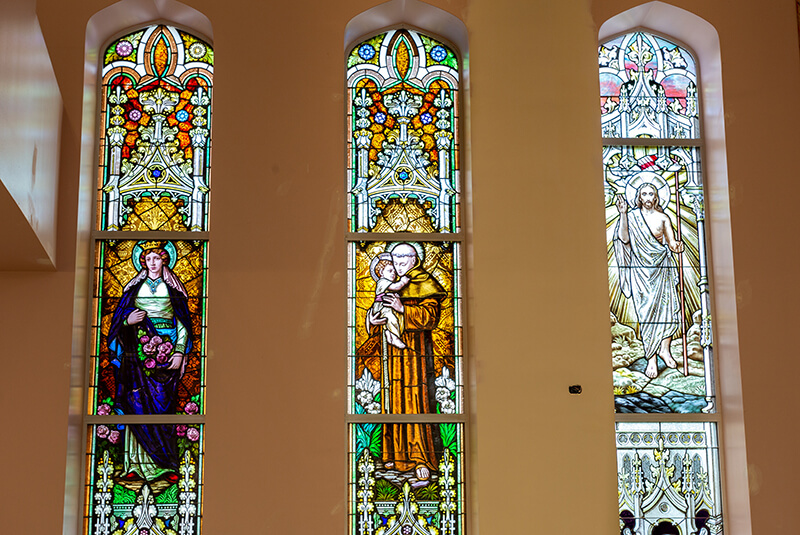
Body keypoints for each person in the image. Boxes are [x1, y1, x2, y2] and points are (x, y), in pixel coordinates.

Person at [108, 241, 192, 482]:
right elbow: (117, 323)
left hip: (166, 353)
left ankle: (165, 464)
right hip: (137, 355)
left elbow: (182, 323)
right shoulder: (133, 289)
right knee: (135, 401)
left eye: (156, 258)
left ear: (164, 260)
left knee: (162, 404)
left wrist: (178, 352)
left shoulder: (174, 290)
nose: (152, 262)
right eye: (148, 259)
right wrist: (127, 321)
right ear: (142, 261)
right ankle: (134, 465)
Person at [364, 242, 446, 481]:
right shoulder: (389, 283)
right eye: (395, 260)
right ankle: (394, 456)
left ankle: (421, 458)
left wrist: (403, 309)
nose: (397, 265)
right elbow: (375, 308)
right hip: (391, 356)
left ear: (414, 261)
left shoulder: (424, 283)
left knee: (414, 400)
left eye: (402, 260)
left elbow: (431, 318)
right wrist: (372, 318)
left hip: (415, 355)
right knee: (392, 399)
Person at [614, 182, 684, 379]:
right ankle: (651, 359)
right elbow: (624, 239)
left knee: (668, 310)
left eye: (650, 193)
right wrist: (622, 214)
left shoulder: (663, 218)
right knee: (646, 315)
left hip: (661, 270)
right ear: (638, 197)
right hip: (640, 274)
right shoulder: (632, 217)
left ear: (656, 197)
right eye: (643, 193)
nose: (647, 197)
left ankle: (665, 350)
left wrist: (677, 246)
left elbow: (671, 242)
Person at [369, 252, 411, 349]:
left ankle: (390, 335)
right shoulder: (382, 282)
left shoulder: (386, 284)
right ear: (381, 273)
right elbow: (396, 286)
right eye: (390, 271)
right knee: (391, 319)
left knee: (391, 320)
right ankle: (394, 337)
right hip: (382, 307)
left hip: (385, 306)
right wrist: (403, 282)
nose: (393, 273)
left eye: (394, 271)